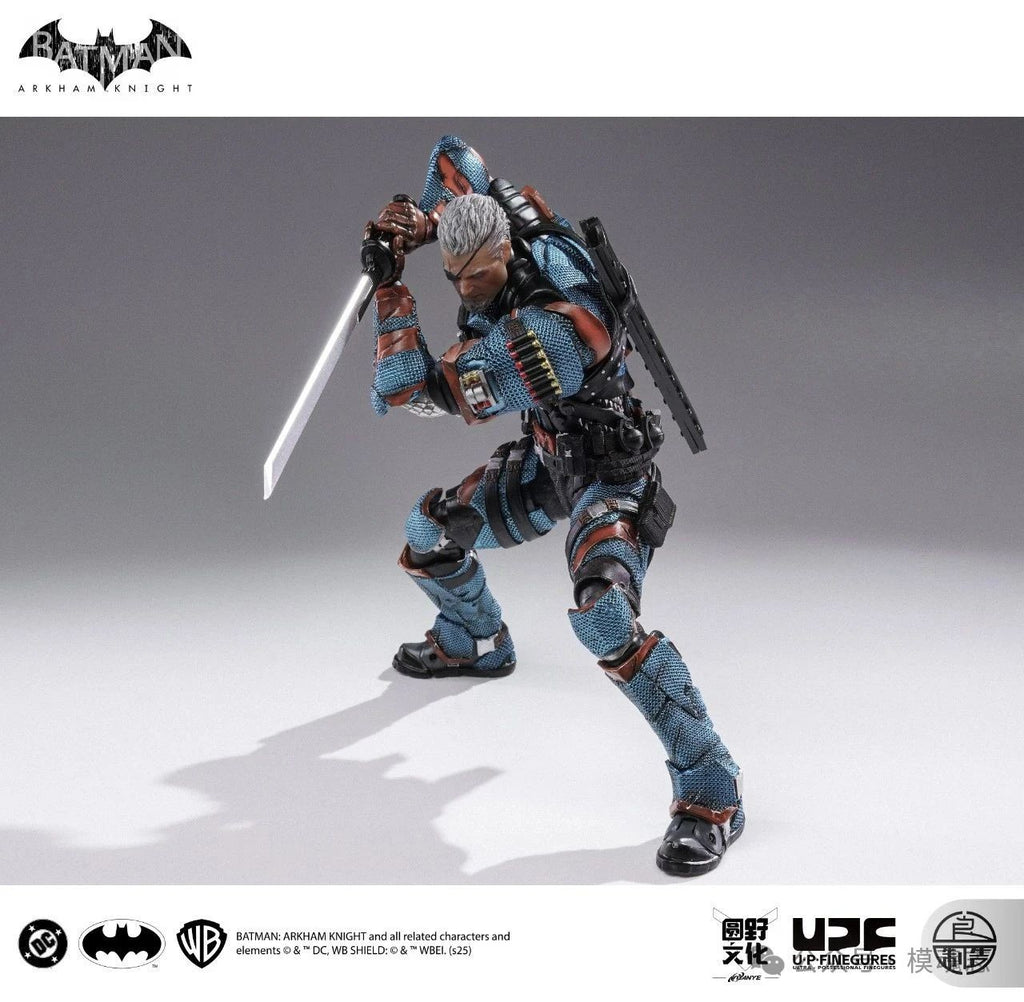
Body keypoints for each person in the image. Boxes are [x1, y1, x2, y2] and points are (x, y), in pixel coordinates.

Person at [368, 135, 743, 876]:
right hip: (547, 460)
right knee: (429, 531)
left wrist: (392, 289)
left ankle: (712, 788)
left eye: (476, 279)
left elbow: (407, 389)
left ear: (504, 254)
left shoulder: (549, 336)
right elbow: (454, 158)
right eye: (454, 279)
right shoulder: (521, 221)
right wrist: (420, 222)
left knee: (604, 614)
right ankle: (475, 639)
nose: (465, 294)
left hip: (609, 477)